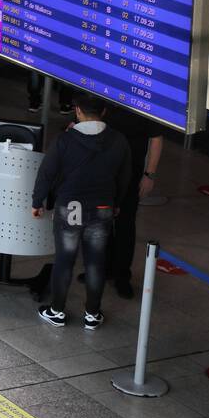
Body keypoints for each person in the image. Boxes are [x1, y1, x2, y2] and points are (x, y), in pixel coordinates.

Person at [30, 93, 131, 330]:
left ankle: (56, 311)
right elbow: (125, 177)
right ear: (104, 112)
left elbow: (47, 173)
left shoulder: (65, 140)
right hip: (103, 207)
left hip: (69, 207)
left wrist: (38, 201)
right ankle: (92, 315)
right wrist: (116, 203)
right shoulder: (119, 141)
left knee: (64, 261)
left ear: (77, 111)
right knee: (96, 262)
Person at [106, 106, 165, 298]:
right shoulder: (105, 92)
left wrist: (150, 174)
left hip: (131, 174)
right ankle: (104, 269)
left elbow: (156, 138)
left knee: (125, 225)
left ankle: (122, 276)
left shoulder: (144, 101)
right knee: (100, 223)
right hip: (103, 171)